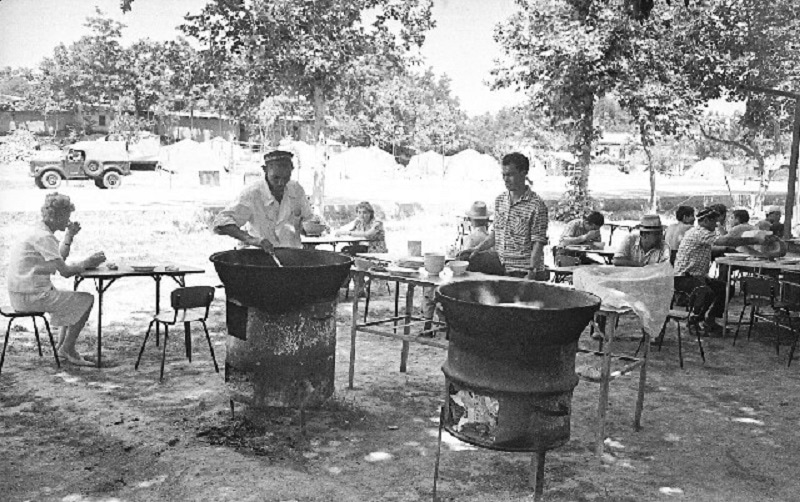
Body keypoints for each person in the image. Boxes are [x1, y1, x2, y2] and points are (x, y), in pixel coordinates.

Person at [6, 193, 106, 366]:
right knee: (86, 299)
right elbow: (65, 272)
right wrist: (87, 262)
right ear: (57, 216)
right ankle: (68, 349)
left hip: (20, 295)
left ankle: (61, 348)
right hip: (30, 297)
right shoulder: (44, 237)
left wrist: (69, 236)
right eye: (67, 216)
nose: (68, 220)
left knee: (71, 300)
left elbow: (58, 257)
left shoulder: (38, 231)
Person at [674, 206, 779, 333]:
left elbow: (716, 248)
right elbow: (726, 240)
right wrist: (756, 239)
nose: (716, 225)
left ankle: (710, 320)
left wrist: (728, 251)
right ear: (706, 220)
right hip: (685, 277)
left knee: (726, 288)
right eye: (714, 222)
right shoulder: (700, 232)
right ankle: (694, 321)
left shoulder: (699, 232)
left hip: (696, 276)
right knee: (707, 292)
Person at [461, 152, 549, 280]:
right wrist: (476, 250)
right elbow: (496, 234)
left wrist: (531, 271)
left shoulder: (537, 206)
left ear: (523, 173)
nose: (506, 179)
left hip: (522, 267)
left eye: (510, 175)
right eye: (504, 175)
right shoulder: (500, 200)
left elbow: (538, 243)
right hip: (501, 261)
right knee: (463, 259)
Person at [213, 150, 314, 251]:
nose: (281, 183)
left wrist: (311, 228)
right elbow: (221, 221)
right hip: (258, 256)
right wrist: (251, 240)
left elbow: (307, 219)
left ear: (291, 170)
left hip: (291, 255)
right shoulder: (252, 193)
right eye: (276, 178)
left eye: (286, 178)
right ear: (265, 170)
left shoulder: (296, 189)